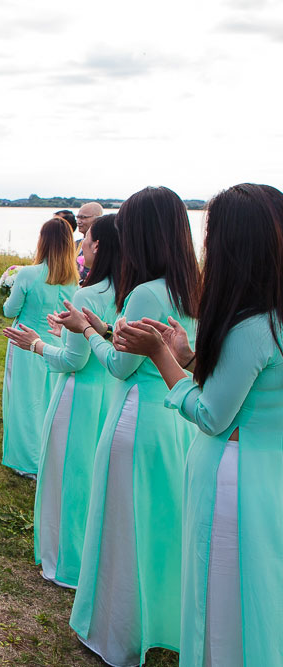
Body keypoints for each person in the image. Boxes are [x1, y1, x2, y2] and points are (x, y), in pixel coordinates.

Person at [113, 183, 283, 667]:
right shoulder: (273, 318)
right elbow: (252, 388)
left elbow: (211, 415)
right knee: (263, 592)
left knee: (222, 595)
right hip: (270, 473)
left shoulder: (252, 325)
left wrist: (162, 357)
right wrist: (189, 356)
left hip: (234, 479)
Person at [60, 186, 200, 667]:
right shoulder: (193, 288)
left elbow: (121, 367)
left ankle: (116, 634)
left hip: (135, 420)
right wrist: (101, 328)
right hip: (176, 423)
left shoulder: (143, 291)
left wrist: (84, 332)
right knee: (161, 527)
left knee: (122, 525)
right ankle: (163, 623)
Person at [2, 214, 120, 588]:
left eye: (86, 239)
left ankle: (65, 561)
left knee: (63, 468)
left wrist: (37, 342)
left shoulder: (81, 290)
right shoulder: (112, 289)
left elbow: (73, 358)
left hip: (66, 377)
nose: (81, 244)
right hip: (108, 391)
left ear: (98, 245)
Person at [1, 218, 78, 476]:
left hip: (25, 344)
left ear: (42, 242)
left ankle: (28, 461)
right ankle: (49, 458)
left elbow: (10, 310)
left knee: (24, 401)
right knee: (49, 402)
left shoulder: (28, 274)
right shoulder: (73, 281)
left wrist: (11, 289)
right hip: (55, 345)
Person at [75, 202, 103, 282]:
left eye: (83, 217)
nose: (79, 221)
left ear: (98, 218)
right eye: (77, 218)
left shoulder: (102, 247)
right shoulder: (75, 244)